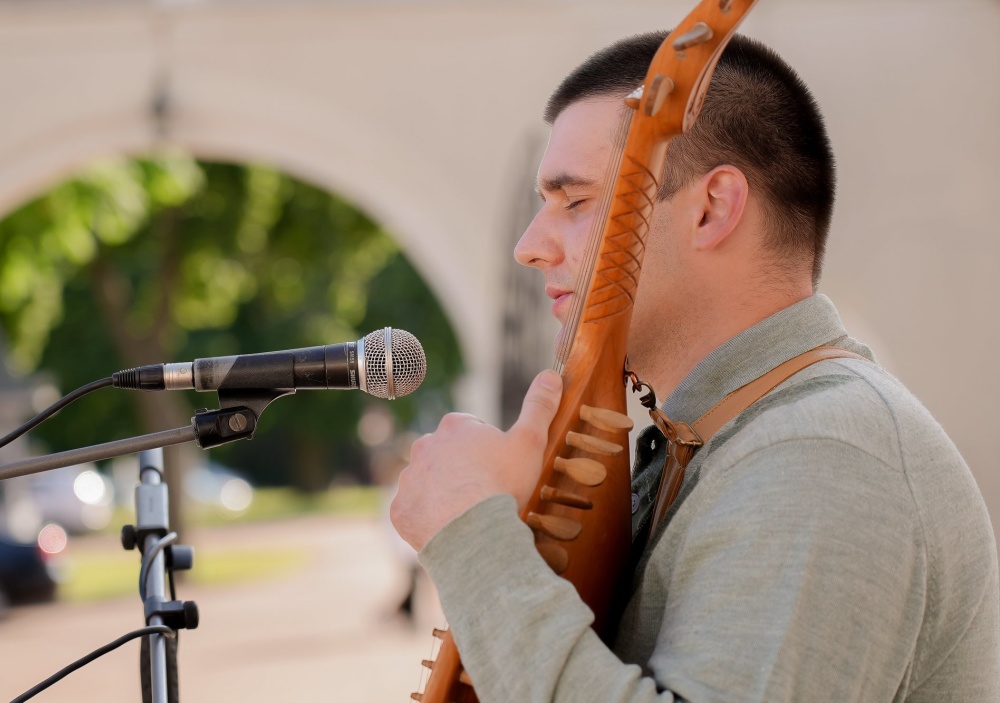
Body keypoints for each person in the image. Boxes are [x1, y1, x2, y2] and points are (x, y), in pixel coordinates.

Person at [390, 31, 1000, 702]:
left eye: (577, 201)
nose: (530, 246)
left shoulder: (820, 449)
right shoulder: (717, 438)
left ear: (710, 209)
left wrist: (473, 537)